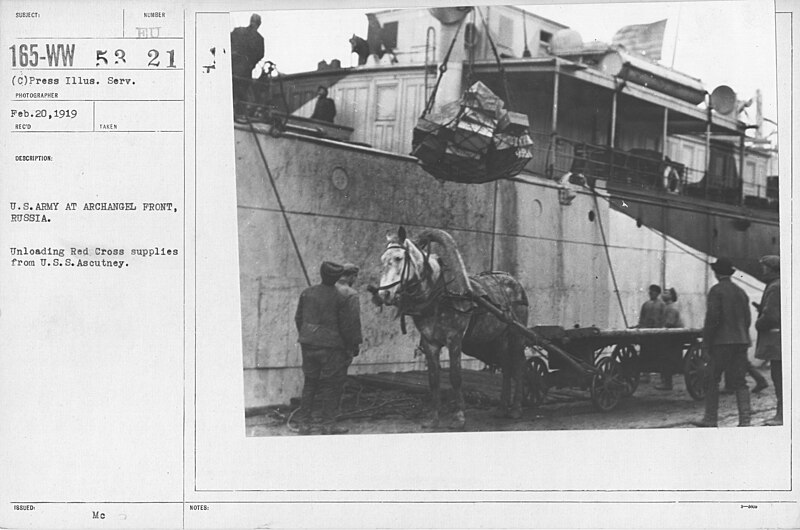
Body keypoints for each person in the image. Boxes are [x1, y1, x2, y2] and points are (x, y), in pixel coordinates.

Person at [294, 261, 362, 435]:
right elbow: (350, 326)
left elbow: (298, 318)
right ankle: (328, 425)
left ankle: (304, 424)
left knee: (310, 384)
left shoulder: (307, 293)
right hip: (332, 348)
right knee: (331, 386)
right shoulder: (347, 295)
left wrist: (308, 336)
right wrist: (353, 346)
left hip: (308, 345)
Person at [692, 258, 752, 427]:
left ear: (717, 273)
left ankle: (710, 418)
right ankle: (745, 420)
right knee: (740, 381)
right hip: (740, 341)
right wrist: (742, 337)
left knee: (712, 379)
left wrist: (706, 343)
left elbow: (712, 319)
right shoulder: (741, 292)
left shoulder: (716, 291)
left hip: (721, 343)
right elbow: (747, 319)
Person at [755, 255, 782, 426]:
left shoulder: (774, 287)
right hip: (782, 340)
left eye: (764, 266)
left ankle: (781, 416)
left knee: (779, 377)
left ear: (771, 268)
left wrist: (759, 322)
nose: (762, 269)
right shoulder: (781, 284)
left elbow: (772, 316)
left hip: (776, 342)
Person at [230, 14, 265, 118]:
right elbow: (260, 54)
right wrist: (250, 64)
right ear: (259, 24)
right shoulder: (259, 39)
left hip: (231, 70)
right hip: (245, 73)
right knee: (241, 98)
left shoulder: (237, 31)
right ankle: (240, 116)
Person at [655, 287, 683, 390]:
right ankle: (666, 382)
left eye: (666, 292)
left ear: (671, 295)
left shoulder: (671, 308)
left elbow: (669, 323)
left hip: (673, 337)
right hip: (669, 335)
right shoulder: (666, 307)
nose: (663, 294)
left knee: (665, 357)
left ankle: (667, 383)